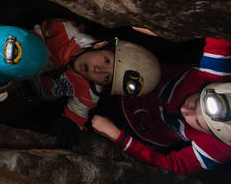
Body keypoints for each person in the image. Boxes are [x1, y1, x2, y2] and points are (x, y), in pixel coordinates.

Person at [91, 37, 231, 175]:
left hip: (132, 124)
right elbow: (218, 34)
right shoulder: (219, 75)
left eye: (197, 122)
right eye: (196, 103)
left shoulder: (220, 147)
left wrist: (118, 136)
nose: (184, 110)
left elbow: (174, 166)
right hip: (134, 73)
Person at [30, 19, 161, 147]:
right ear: (101, 45)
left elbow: (77, 111)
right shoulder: (65, 31)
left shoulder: (90, 92)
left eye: (107, 78)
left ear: (104, 86)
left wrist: (72, 122)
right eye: (106, 61)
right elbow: (31, 32)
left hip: (33, 87)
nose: (98, 70)